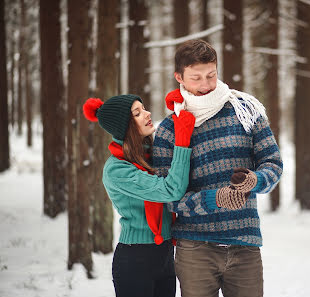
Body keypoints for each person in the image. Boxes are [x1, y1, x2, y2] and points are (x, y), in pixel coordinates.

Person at [152, 39, 283, 297]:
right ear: (179, 77)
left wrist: (255, 180)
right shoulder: (169, 130)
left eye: (211, 75)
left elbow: (273, 163)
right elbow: (167, 198)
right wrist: (215, 199)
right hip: (195, 249)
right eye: (196, 78)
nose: (205, 85)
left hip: (244, 243)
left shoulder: (246, 110)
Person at [82, 94, 195, 297]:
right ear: (125, 126)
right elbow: (171, 190)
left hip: (165, 255)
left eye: (143, 108)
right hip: (135, 260)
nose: (147, 113)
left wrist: (183, 105)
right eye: (138, 112)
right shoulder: (117, 170)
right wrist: (182, 141)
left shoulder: (152, 155)